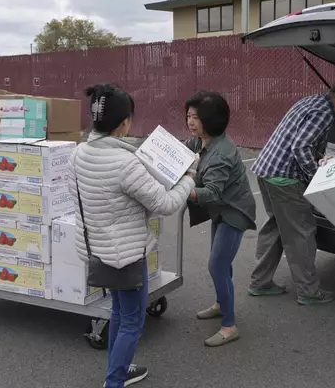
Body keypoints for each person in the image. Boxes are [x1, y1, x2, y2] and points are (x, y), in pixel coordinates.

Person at [68, 83, 197, 387]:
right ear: (125, 122)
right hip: (125, 255)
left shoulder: (79, 153)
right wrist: (189, 178)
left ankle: (119, 370)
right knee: (132, 323)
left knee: (119, 313)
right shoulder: (126, 163)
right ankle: (114, 381)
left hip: (98, 249)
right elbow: (165, 204)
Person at [248, 72, 335, 305]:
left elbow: (301, 142)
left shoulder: (310, 101)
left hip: (266, 170)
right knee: (302, 232)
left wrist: (320, 157)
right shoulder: (325, 113)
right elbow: (301, 146)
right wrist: (317, 178)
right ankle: (309, 291)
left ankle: (260, 282)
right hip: (285, 179)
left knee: (276, 228)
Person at [183, 90, 257, 347]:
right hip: (220, 210)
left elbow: (212, 192)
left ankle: (229, 326)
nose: (190, 122)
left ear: (211, 120)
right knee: (221, 263)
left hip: (234, 212)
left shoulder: (222, 152)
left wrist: (183, 190)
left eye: (196, 117)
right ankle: (220, 302)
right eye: (189, 116)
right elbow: (178, 154)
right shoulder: (199, 141)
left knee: (217, 265)